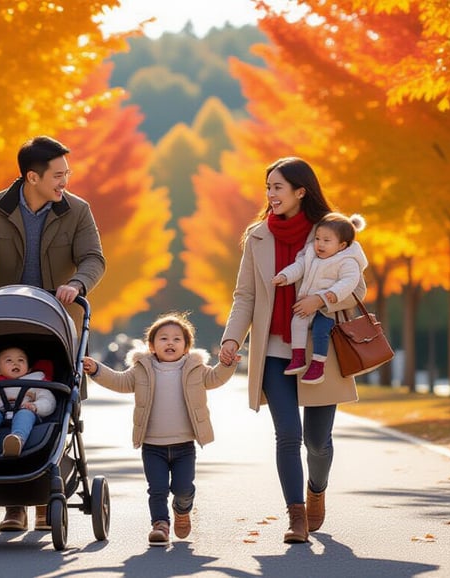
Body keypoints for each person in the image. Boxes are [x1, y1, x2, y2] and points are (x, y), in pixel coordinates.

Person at [217, 157, 367, 544]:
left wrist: (321, 300)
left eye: (277, 187)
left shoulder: (329, 232)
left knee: (318, 441)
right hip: (274, 350)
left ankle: (316, 491)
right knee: (288, 435)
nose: (270, 195)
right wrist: (232, 338)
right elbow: (245, 295)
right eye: (267, 187)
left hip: (320, 349)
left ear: (301, 191)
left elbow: (359, 289)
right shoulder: (257, 236)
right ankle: (295, 516)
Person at [0, 135, 106, 532]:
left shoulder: (77, 210)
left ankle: (46, 496)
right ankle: (14, 505)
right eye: (58, 175)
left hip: (57, 326)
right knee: (0, 403)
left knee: (56, 406)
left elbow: (94, 257)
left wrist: (76, 283)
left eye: (67, 173)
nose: (65, 181)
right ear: (32, 176)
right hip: (5, 321)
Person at [81, 312, 239, 547]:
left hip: (184, 445)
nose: (170, 343)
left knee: (183, 489)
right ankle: (160, 526)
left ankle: (182, 510)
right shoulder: (143, 369)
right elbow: (120, 381)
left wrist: (226, 365)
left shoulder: (195, 368)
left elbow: (216, 378)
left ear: (186, 346)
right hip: (152, 445)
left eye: (177, 339)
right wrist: (96, 370)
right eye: (163, 338)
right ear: (152, 345)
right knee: (157, 490)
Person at [273, 213, 368, 384]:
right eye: (317, 238)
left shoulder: (347, 261)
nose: (320, 244)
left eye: (326, 240)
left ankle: (318, 365)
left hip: (328, 306)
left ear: (341, 245)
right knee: (297, 322)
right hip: (307, 302)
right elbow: (299, 267)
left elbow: (349, 281)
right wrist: (284, 276)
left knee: (320, 330)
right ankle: (298, 357)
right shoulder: (311, 254)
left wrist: (330, 295)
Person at [0, 347, 56, 458]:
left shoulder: (35, 382)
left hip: (25, 410)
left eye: (21, 360)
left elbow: (48, 401)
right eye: (9, 360)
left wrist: (36, 406)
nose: (16, 363)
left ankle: (16, 440)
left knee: (25, 414)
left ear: (28, 369)